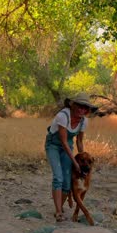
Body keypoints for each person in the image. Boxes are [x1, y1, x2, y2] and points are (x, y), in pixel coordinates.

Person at [45, 92, 98, 222]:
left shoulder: (84, 121)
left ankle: (59, 206)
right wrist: (75, 163)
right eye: (79, 106)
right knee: (58, 177)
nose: (82, 109)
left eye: (85, 108)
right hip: (54, 146)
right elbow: (63, 141)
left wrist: (83, 158)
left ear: (87, 110)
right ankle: (58, 212)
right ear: (73, 105)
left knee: (67, 183)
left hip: (67, 147)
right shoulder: (63, 116)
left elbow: (79, 141)